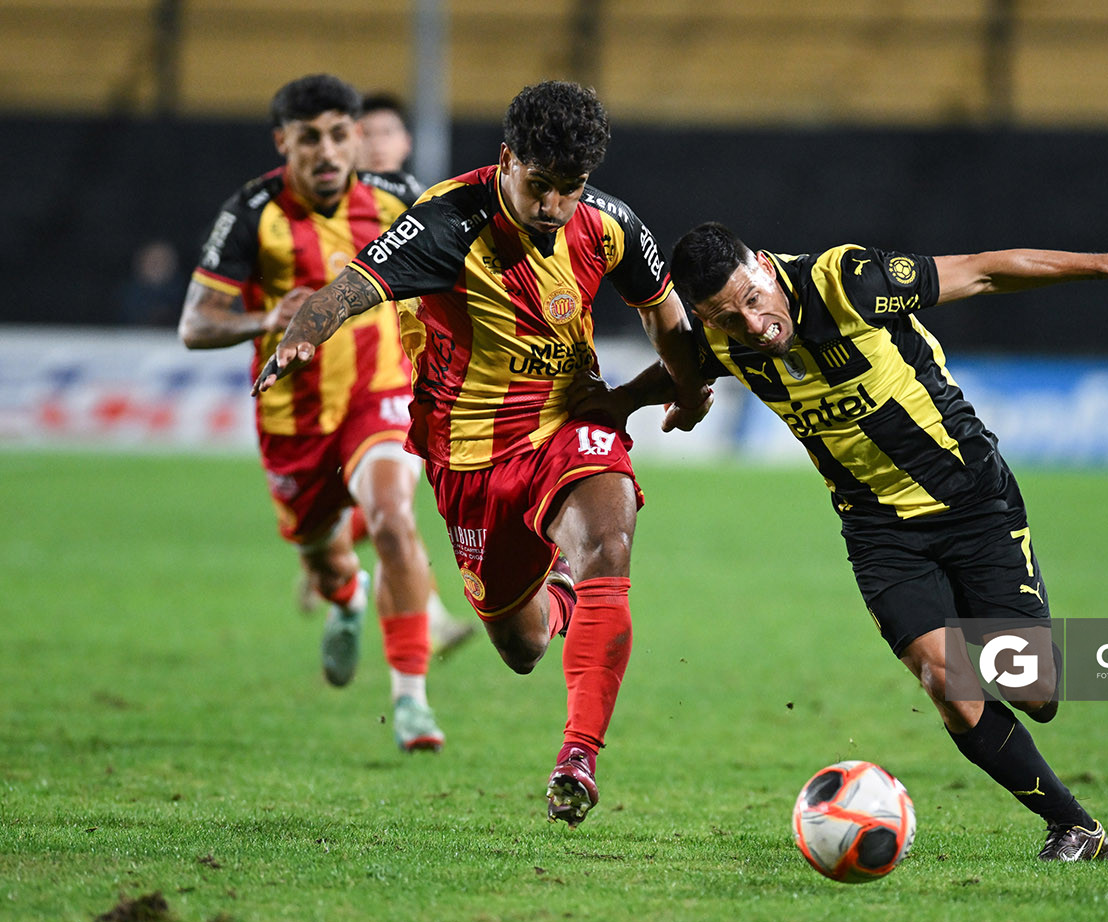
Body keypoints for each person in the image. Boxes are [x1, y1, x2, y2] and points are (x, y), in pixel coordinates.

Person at [576, 221, 1108, 860]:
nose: (754, 326)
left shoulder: (845, 282)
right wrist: (619, 405)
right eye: (729, 320)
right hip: (878, 532)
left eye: (754, 301)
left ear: (763, 265)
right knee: (945, 680)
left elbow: (984, 268)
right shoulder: (720, 339)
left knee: (1035, 692)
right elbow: (680, 368)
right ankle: (1073, 826)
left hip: (972, 503)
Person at [253, 81, 712, 825]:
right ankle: (558, 585)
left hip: (570, 423)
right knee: (524, 643)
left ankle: (578, 755)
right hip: (470, 457)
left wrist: (679, 391)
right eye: (539, 185)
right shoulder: (443, 222)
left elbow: (666, 316)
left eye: (570, 189)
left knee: (611, 537)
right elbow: (353, 287)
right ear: (507, 161)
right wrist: (307, 328)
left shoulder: (608, 224)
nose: (553, 205)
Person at [179, 73, 450, 753]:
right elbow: (195, 324)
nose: (327, 152)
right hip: (292, 418)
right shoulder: (253, 212)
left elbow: (460, 279)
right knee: (325, 559)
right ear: (284, 143)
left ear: (357, 137)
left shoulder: (398, 199)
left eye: (339, 135)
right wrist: (268, 314)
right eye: (309, 140)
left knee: (392, 519)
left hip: (378, 394)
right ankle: (347, 596)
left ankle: (411, 698)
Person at [283, 88, 475, 661]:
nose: (378, 144)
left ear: (406, 142)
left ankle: (338, 559)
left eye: (388, 133)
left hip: (417, 378)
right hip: (355, 386)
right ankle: (409, 607)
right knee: (392, 508)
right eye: (367, 135)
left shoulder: (426, 208)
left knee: (394, 507)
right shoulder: (343, 213)